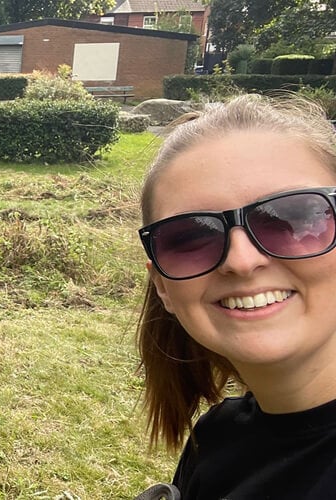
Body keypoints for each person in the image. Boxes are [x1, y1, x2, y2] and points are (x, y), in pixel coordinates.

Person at [136, 94, 336, 498]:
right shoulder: (214, 438)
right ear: (163, 287)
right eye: (191, 236)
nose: (241, 261)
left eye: (293, 218)